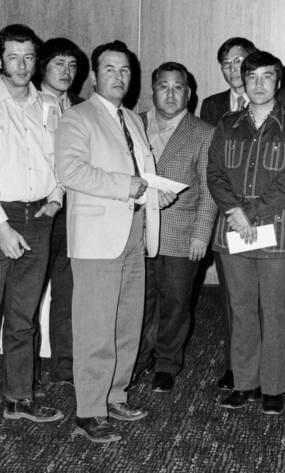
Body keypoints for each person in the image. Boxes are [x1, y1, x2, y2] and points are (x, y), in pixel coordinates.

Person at [55, 40, 162, 442]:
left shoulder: (132, 118)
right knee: (95, 325)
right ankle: (89, 410)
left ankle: (115, 394)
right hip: (99, 237)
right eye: (110, 70)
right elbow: (70, 172)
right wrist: (126, 186)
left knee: (127, 321)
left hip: (135, 231)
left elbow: (140, 175)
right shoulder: (77, 117)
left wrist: (155, 192)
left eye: (125, 71)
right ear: (95, 76)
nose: (119, 77)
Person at [0, 24, 64, 434]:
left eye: (28, 58)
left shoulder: (50, 105)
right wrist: (2, 227)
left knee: (24, 315)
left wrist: (56, 197)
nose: (22, 66)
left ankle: (20, 396)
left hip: (39, 216)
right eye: (13, 57)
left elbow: (62, 158)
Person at [207, 50, 285, 415]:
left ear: (278, 82)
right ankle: (245, 383)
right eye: (252, 77)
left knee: (273, 309)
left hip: (276, 232)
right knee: (241, 309)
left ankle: (274, 387)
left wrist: (247, 213)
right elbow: (215, 175)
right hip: (232, 232)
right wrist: (235, 213)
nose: (259, 84)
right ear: (243, 82)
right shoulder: (226, 125)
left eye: (267, 77)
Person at [133, 62, 217, 392]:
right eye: (163, 86)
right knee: (140, 301)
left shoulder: (204, 132)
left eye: (177, 87)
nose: (170, 93)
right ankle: (139, 359)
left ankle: (167, 362)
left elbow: (210, 189)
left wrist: (202, 233)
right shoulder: (133, 124)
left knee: (177, 302)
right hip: (137, 231)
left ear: (189, 93)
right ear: (152, 91)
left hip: (182, 234)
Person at [200, 36, 257, 391]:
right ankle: (236, 366)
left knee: (265, 297)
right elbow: (209, 164)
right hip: (225, 212)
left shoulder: (276, 101)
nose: (233, 69)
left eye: (240, 61)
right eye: (227, 63)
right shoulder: (211, 105)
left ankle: (265, 365)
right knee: (233, 297)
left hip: (265, 214)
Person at [32, 37, 86, 389]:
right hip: (36, 212)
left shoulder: (83, 108)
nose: (66, 72)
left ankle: (64, 367)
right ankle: (26, 373)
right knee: (28, 297)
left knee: (69, 294)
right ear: (43, 67)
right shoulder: (27, 104)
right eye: (58, 64)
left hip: (75, 215)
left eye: (72, 66)